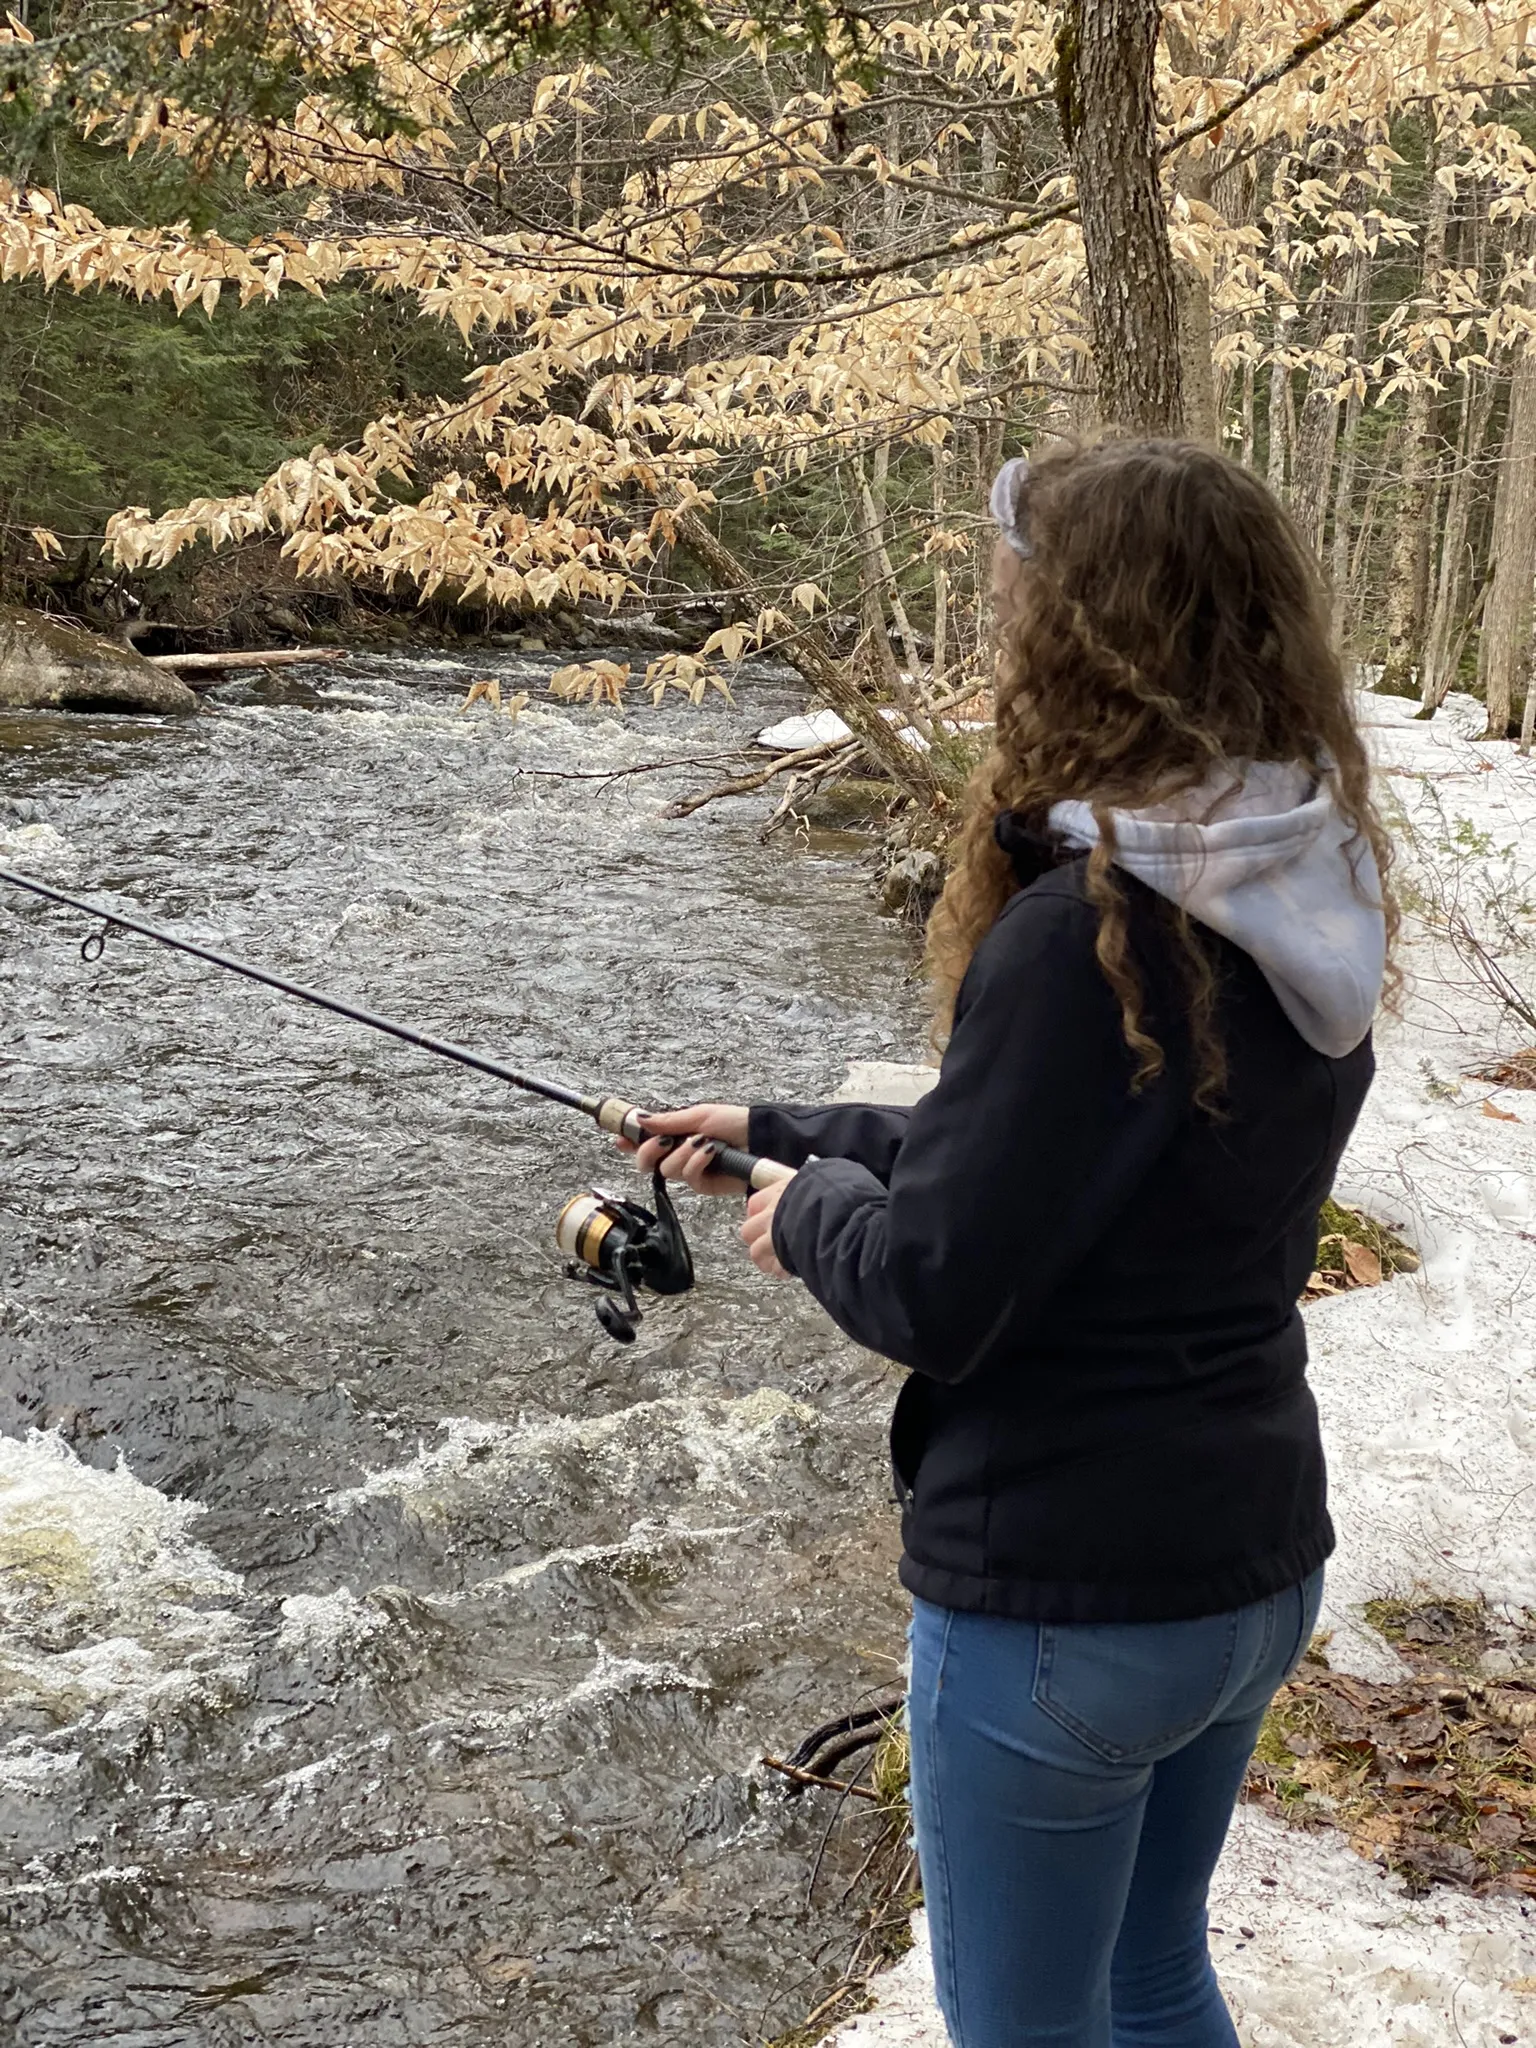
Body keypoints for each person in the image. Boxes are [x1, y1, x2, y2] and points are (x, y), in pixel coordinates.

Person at [627, 437, 1393, 2048]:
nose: (995, 631)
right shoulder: (1294, 876)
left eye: (1012, 599)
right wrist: (791, 1131)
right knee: (1155, 1978)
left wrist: (814, 1214)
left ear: (1090, 635)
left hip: (1067, 1598)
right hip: (1244, 1566)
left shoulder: (1085, 935)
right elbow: (1091, 1168)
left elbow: (938, 1285)